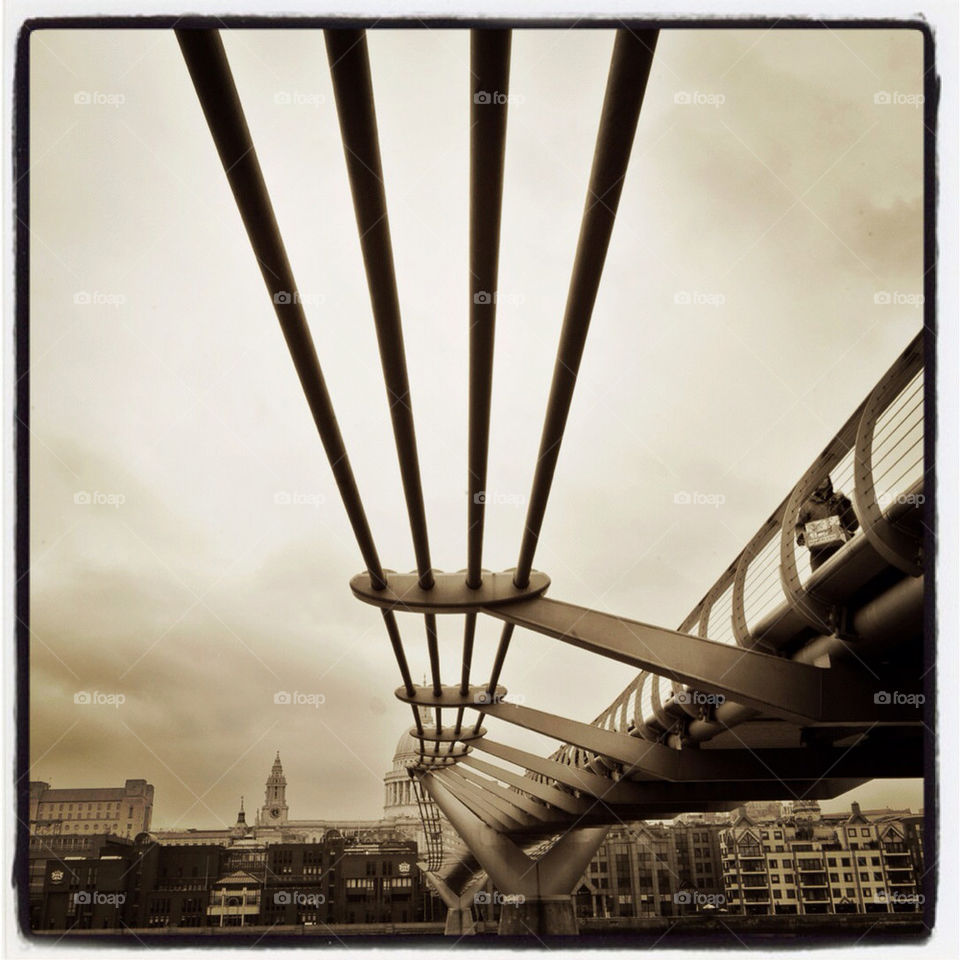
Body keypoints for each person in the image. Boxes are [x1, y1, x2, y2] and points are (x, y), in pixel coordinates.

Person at [795, 476, 859, 572]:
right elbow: (799, 526)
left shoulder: (839, 499)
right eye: (819, 478)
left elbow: (853, 526)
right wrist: (801, 536)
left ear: (829, 480)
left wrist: (846, 505)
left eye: (824, 477)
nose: (821, 480)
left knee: (852, 574)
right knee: (823, 581)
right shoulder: (807, 504)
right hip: (819, 553)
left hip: (843, 547)